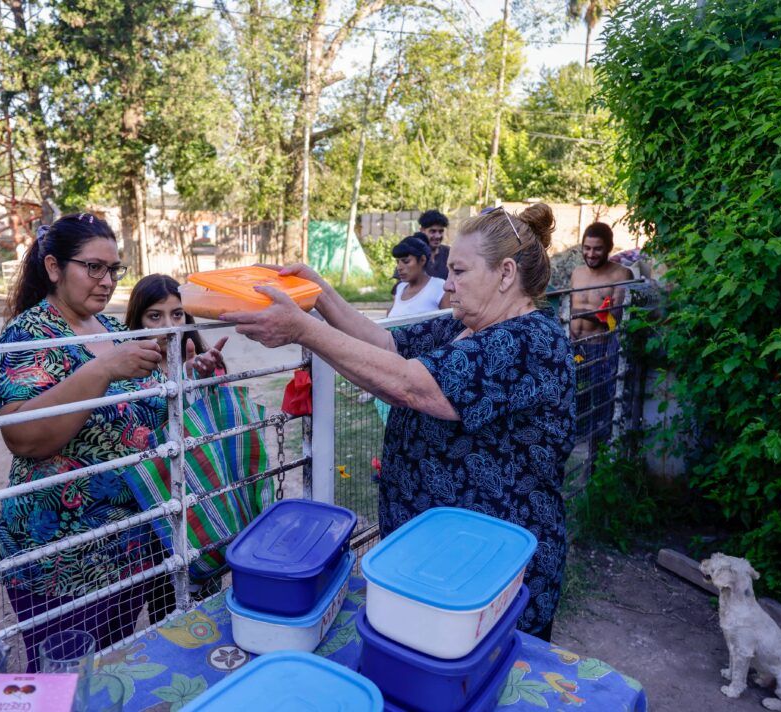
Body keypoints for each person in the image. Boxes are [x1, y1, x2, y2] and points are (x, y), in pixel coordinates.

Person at [223, 203, 575, 641]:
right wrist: (320, 295)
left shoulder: (529, 341)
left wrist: (304, 330)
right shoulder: (465, 326)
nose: (449, 285)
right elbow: (385, 345)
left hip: (488, 574)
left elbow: (413, 387)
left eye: (460, 272)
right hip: (445, 563)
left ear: (505, 274)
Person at [0, 214, 223, 671]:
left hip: (130, 551)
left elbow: (147, 415)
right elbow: (22, 437)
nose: (107, 281)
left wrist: (188, 375)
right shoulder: (28, 335)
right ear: (54, 267)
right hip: (62, 559)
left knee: (112, 673)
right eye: (93, 267)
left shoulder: (113, 330)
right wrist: (102, 370)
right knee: (67, 680)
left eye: (114, 269)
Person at [569, 222, 632, 442]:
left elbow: (613, 319)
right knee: (572, 405)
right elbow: (569, 310)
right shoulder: (576, 273)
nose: (591, 254)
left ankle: (598, 459)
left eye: (597, 249)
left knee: (599, 409)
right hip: (574, 348)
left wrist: (577, 312)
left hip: (601, 351)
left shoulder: (621, 274)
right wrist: (592, 312)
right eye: (586, 248)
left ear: (609, 248)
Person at [124, 274, 228, 379]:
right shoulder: (124, 371)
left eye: (177, 314)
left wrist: (202, 379)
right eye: (155, 316)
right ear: (138, 320)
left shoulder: (207, 365)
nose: (169, 326)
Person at [387, 235, 450, 317]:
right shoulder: (400, 288)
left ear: (422, 260)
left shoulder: (440, 287)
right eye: (397, 262)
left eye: (406, 261)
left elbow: (451, 324)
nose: (399, 267)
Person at [418, 209, 450, 279]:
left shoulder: (449, 253)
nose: (438, 236)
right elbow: (401, 285)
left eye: (441, 231)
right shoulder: (411, 254)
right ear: (422, 230)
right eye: (433, 231)